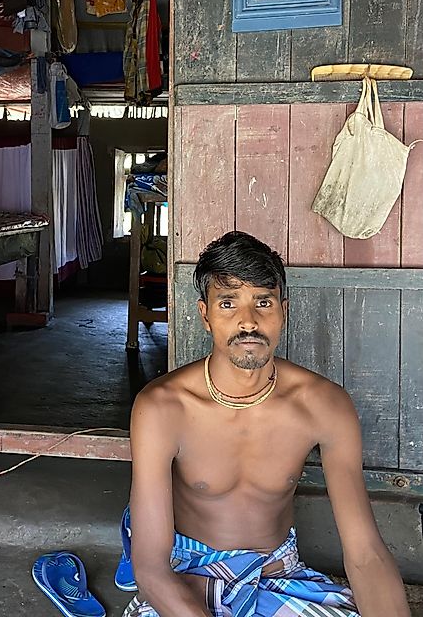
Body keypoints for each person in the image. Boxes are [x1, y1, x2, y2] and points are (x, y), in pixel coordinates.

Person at [123, 231, 411, 617]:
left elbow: (365, 554)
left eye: (263, 302)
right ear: (205, 316)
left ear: (283, 311)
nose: (248, 322)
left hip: (279, 573)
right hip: (187, 575)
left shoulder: (324, 405)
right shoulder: (161, 408)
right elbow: (152, 569)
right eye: (228, 303)